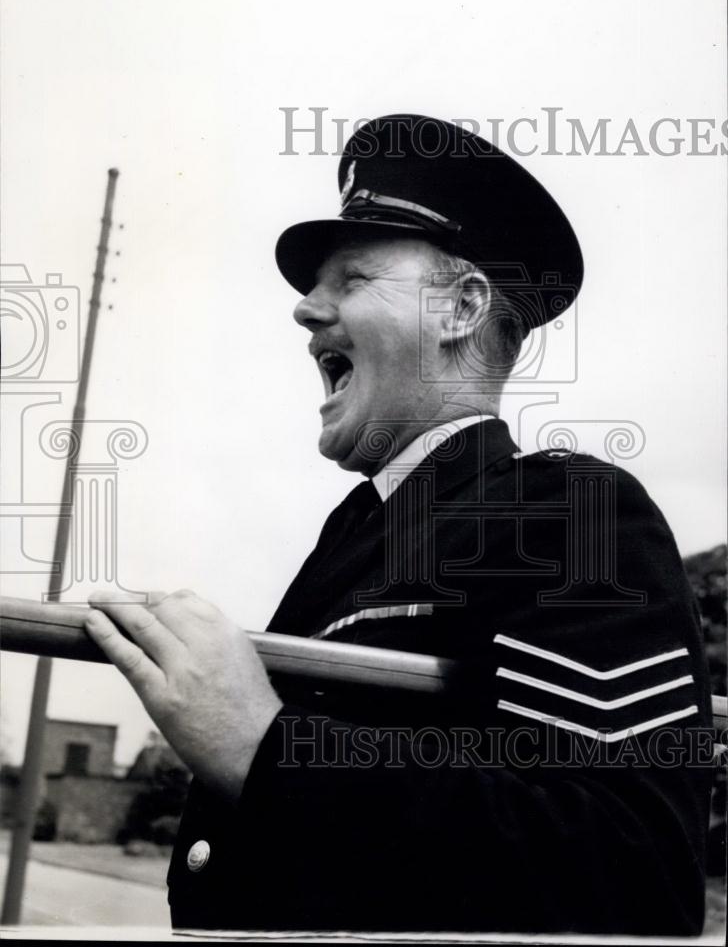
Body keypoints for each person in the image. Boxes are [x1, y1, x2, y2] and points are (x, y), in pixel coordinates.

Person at [85, 114, 713, 935]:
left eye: (350, 280)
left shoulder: (570, 511)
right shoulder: (360, 530)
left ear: (461, 307)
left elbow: (632, 870)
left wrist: (261, 745)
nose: (306, 311)